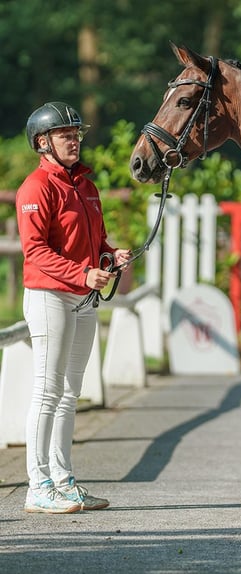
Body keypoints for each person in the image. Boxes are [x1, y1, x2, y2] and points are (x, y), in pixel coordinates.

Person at [16, 102, 130, 514]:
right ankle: (37, 484)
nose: (75, 140)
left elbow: (94, 241)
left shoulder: (86, 186)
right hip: (50, 296)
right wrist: (83, 274)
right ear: (43, 142)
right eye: (66, 135)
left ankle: (63, 480)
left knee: (69, 394)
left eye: (77, 133)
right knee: (47, 391)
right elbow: (35, 252)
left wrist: (111, 254)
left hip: (82, 299)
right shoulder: (36, 188)